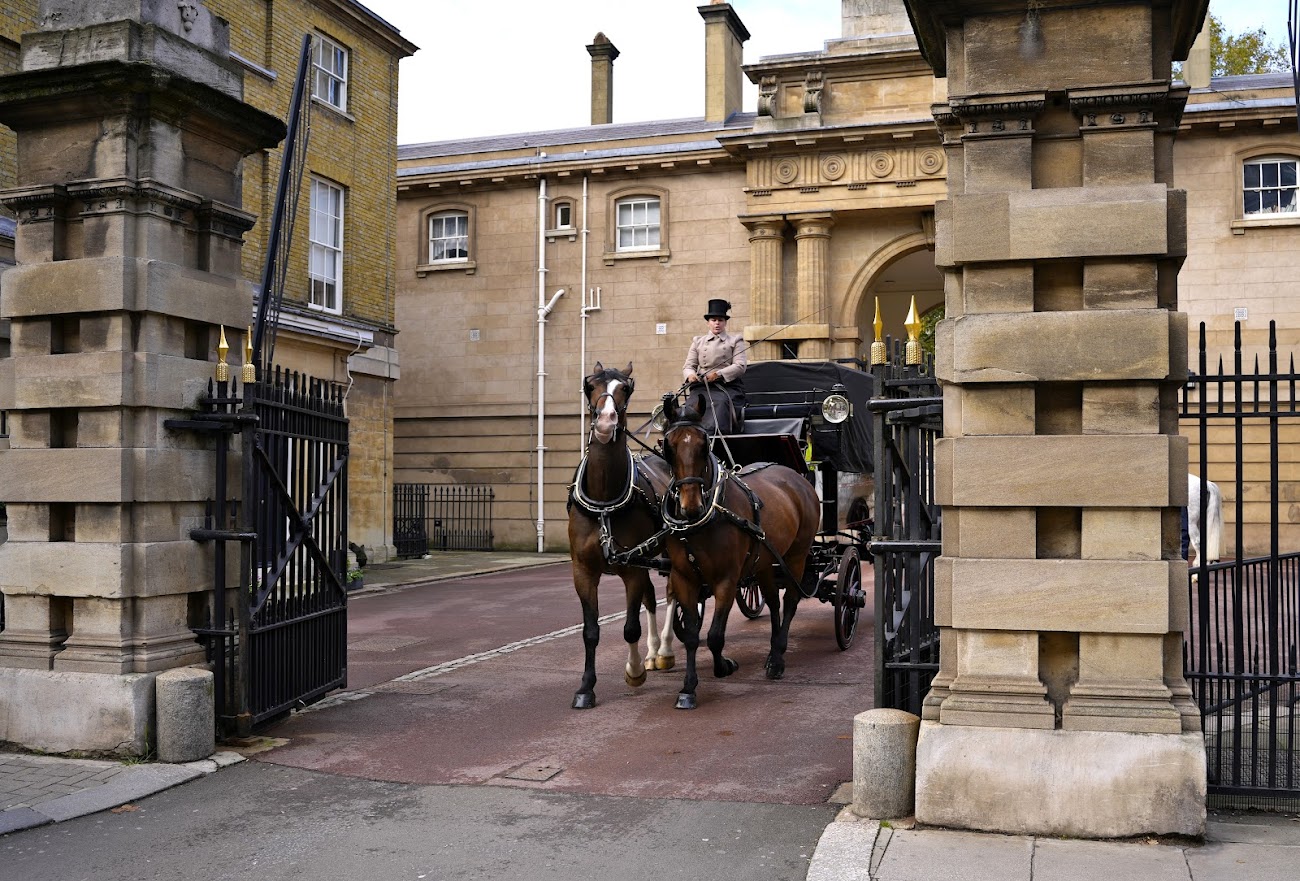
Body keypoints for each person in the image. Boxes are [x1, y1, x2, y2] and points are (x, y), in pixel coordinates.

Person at [682, 298, 747, 433]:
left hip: (726, 388)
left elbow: (740, 365)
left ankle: (716, 436)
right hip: (702, 387)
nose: (717, 323)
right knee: (688, 407)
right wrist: (691, 375)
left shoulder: (735, 340)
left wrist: (719, 374)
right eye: (713, 320)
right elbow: (689, 365)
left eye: (720, 320)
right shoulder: (697, 341)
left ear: (725, 323)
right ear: (708, 323)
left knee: (720, 404)